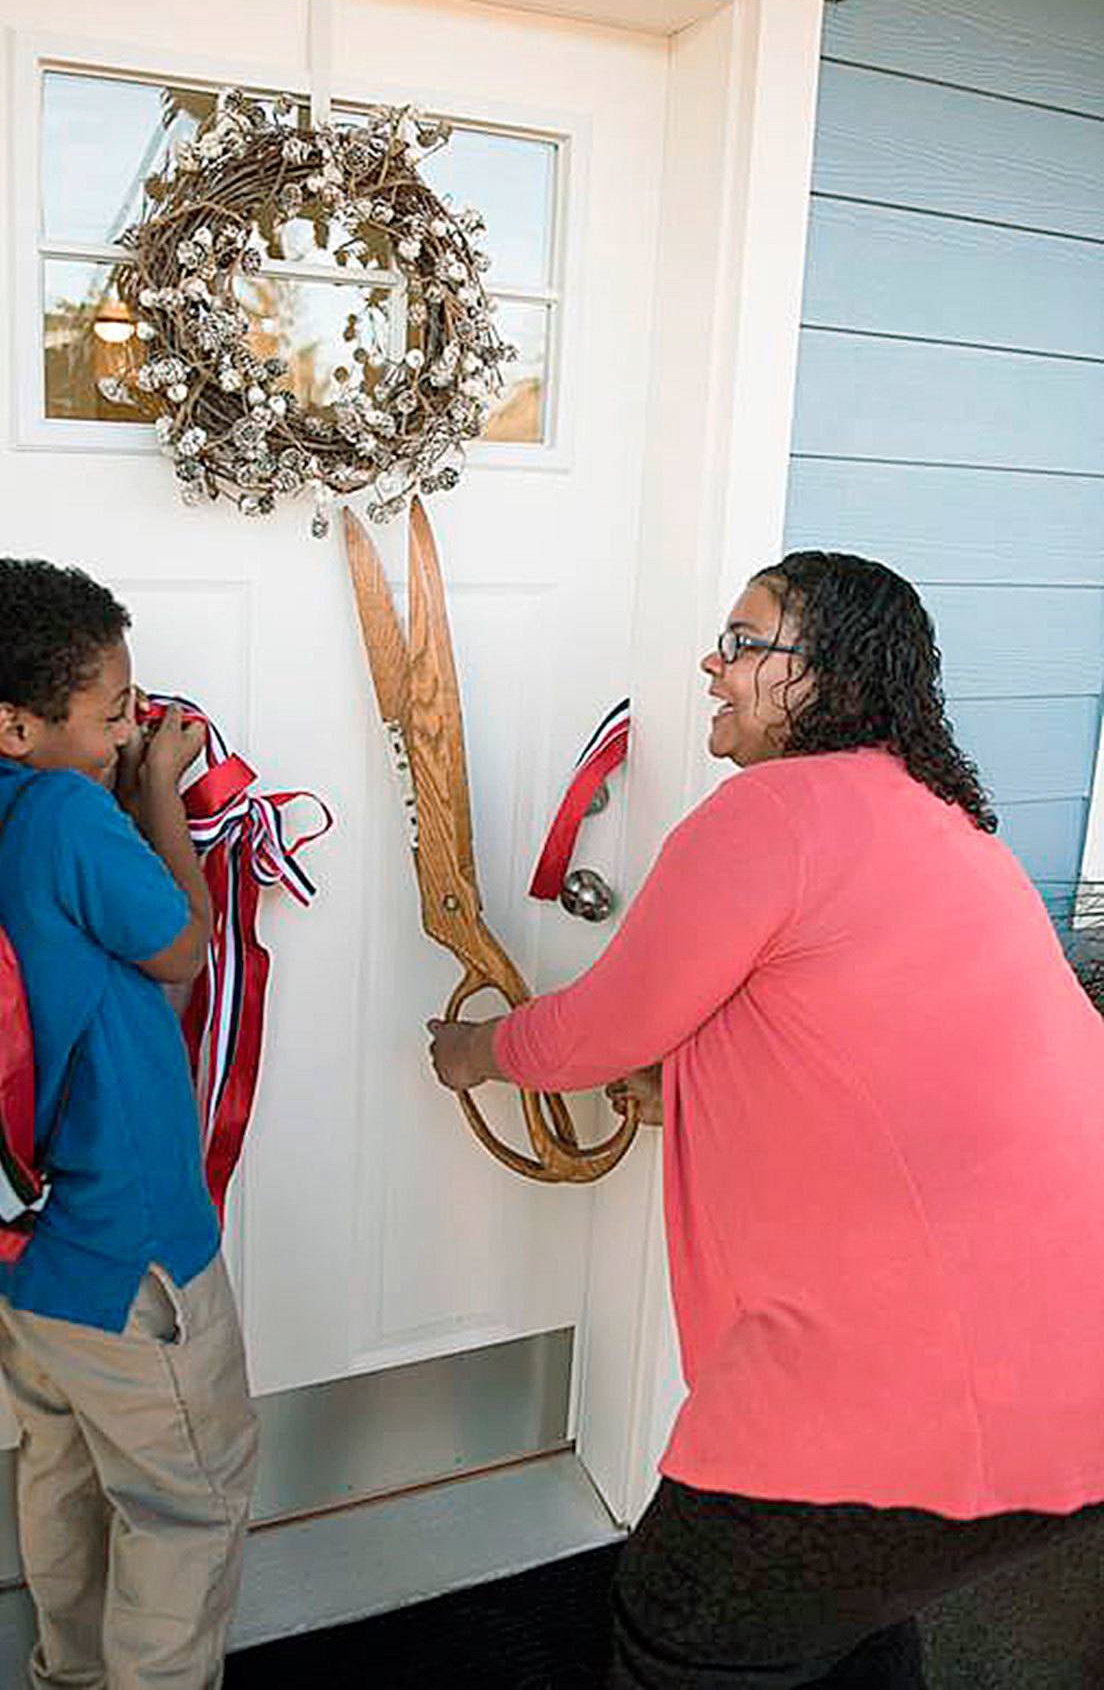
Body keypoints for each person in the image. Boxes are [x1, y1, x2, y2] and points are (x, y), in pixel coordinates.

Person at [428, 550, 1104, 1689]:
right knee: (839, 1617)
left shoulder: (768, 816)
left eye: (744, 645)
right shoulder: (943, 822)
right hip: (1067, 1379)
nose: (712, 661)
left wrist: (476, 1051)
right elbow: (842, 1046)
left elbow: (597, 1031)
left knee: (679, 1629)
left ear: (829, 677)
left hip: (902, 1402)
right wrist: (680, 1091)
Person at [0, 558, 257, 1690]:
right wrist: (157, 789)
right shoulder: (65, 808)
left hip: (20, 1239)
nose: (125, 730)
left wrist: (110, 757)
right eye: (110, 713)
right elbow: (180, 947)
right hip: (124, 1242)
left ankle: (68, 1675)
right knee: (185, 1502)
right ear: (17, 724)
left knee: (61, 1467)